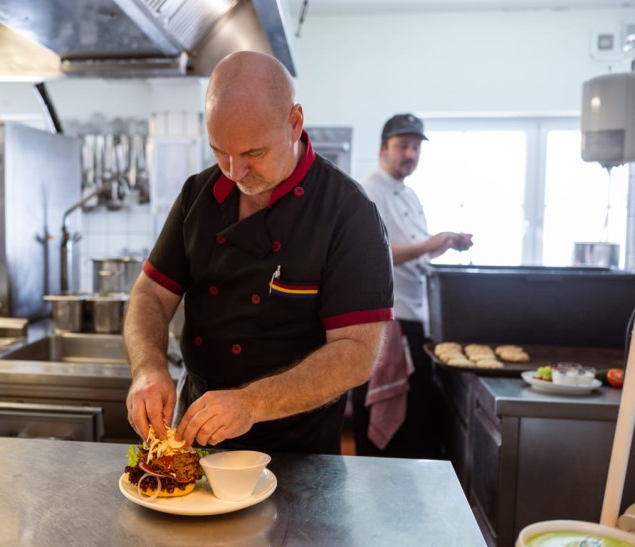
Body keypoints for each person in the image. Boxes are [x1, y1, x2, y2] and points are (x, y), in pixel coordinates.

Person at [124, 51, 394, 455]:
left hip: (298, 451)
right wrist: (148, 369)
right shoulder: (197, 196)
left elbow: (356, 353)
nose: (234, 172)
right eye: (220, 151)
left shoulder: (349, 214)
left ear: (294, 123)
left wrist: (253, 403)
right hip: (196, 437)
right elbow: (150, 295)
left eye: (253, 154)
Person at [352, 113, 473, 459]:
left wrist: (446, 241)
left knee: (418, 425)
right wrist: (428, 244)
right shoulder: (367, 189)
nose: (410, 154)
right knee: (396, 434)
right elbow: (372, 256)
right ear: (383, 149)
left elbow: (417, 250)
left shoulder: (410, 194)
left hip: (417, 320)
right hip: (390, 323)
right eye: (403, 146)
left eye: (416, 147)